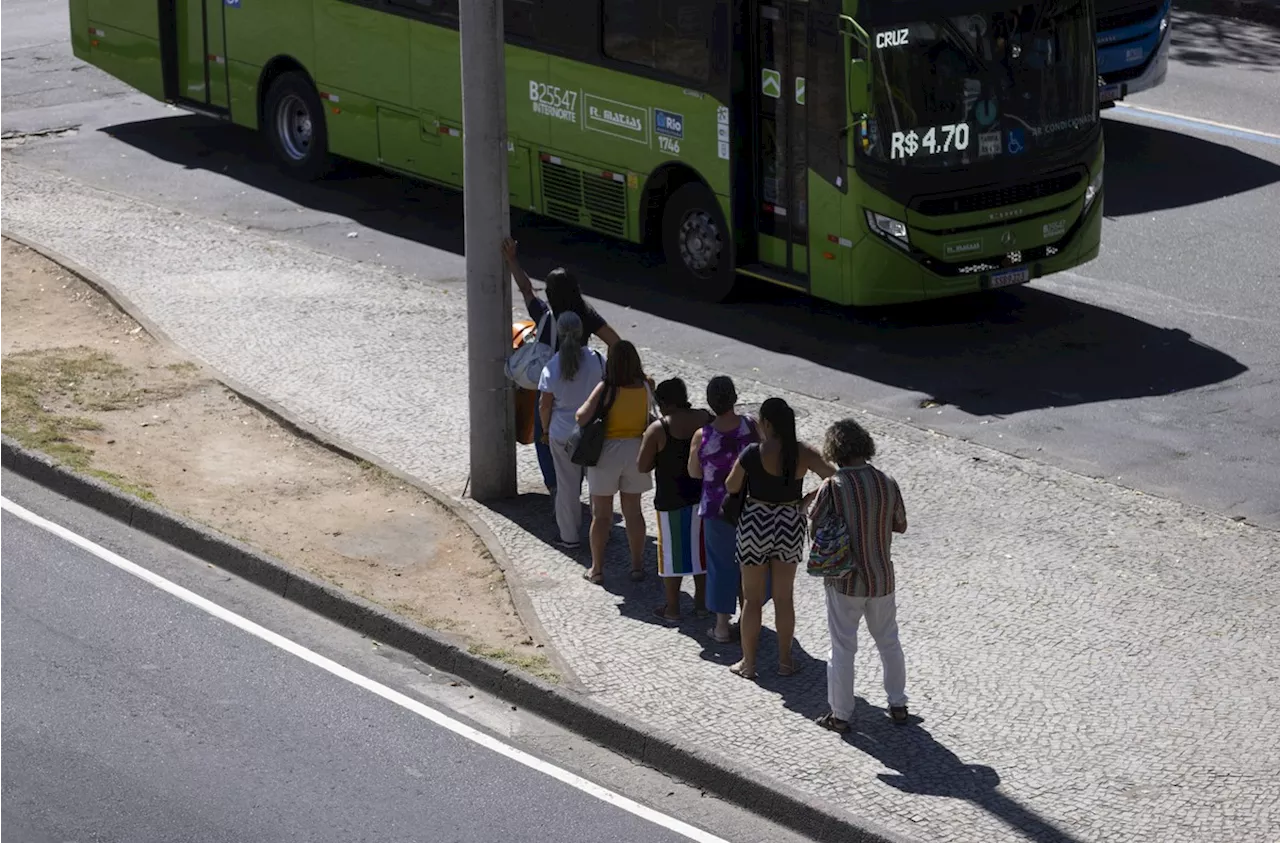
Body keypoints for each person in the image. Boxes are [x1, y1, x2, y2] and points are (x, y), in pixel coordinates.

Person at [808, 419, 910, 732]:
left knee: (842, 648)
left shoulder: (833, 487)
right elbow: (901, 524)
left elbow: (815, 527)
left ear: (834, 450)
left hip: (845, 581)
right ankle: (898, 704)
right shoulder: (886, 481)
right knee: (889, 641)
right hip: (881, 578)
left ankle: (841, 714)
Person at [724, 397, 833, 679]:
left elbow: (731, 486)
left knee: (751, 598)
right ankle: (785, 661)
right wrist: (808, 498)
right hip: (789, 522)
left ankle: (748, 664)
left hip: (754, 524)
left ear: (768, 423)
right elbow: (833, 477)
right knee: (784, 598)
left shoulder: (752, 452)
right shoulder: (803, 452)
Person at [503, 237, 620, 495]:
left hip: (551, 383)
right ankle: (577, 483)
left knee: (544, 436)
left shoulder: (545, 316)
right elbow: (615, 342)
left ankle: (555, 486)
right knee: (583, 432)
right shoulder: (587, 315)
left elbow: (525, 289)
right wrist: (611, 376)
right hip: (585, 383)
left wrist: (512, 260)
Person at [688, 376, 759, 644]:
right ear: (734, 396)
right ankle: (747, 618)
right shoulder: (751, 425)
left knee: (720, 565)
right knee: (748, 563)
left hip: (717, 508)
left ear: (709, 402)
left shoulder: (703, 435)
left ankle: (720, 626)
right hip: (750, 505)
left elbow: (694, 472)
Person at [576, 340, 652, 584]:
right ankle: (637, 566)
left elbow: (581, 417)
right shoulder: (646, 386)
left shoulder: (606, 388)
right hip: (636, 451)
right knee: (634, 511)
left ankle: (597, 569)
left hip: (606, 452)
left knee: (602, 515)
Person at [637, 378, 713, 623]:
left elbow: (642, 466)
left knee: (672, 556)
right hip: (704, 496)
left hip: (671, 499)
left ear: (664, 403)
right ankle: (702, 605)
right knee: (702, 553)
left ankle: (672, 609)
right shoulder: (705, 418)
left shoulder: (659, 429)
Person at [538, 312, 605, 550]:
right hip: (593, 431)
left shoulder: (551, 367)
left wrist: (545, 430)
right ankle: (601, 533)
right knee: (597, 485)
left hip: (561, 433)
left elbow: (545, 405)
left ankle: (569, 536)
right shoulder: (597, 359)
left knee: (566, 486)